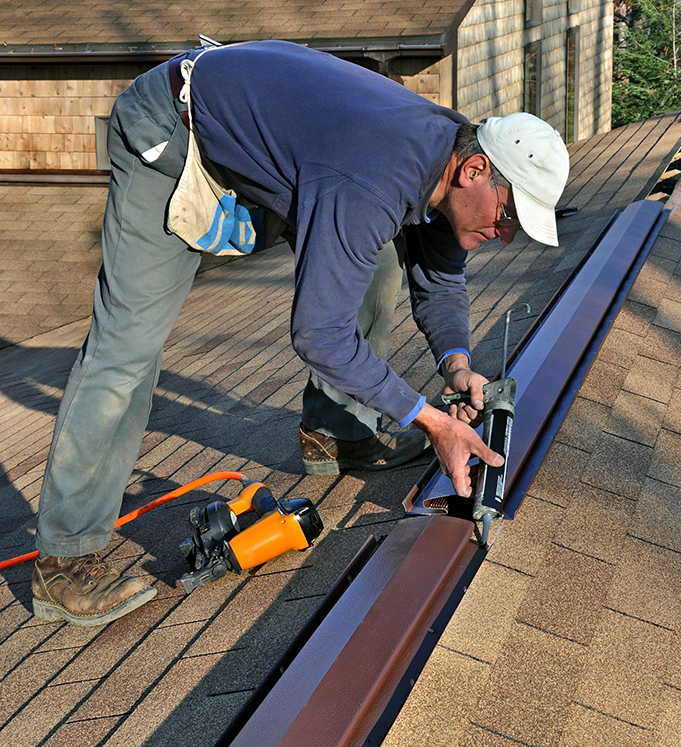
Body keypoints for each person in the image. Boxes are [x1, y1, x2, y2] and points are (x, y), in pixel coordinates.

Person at [31, 39, 569, 626]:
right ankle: (64, 560)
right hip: (176, 129)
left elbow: (439, 280)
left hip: (284, 150)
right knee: (126, 349)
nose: (506, 234)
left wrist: (459, 367)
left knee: (379, 261)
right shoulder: (373, 176)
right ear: (475, 171)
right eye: (509, 214)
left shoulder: (447, 157)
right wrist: (429, 418)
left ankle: (336, 434)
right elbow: (319, 334)